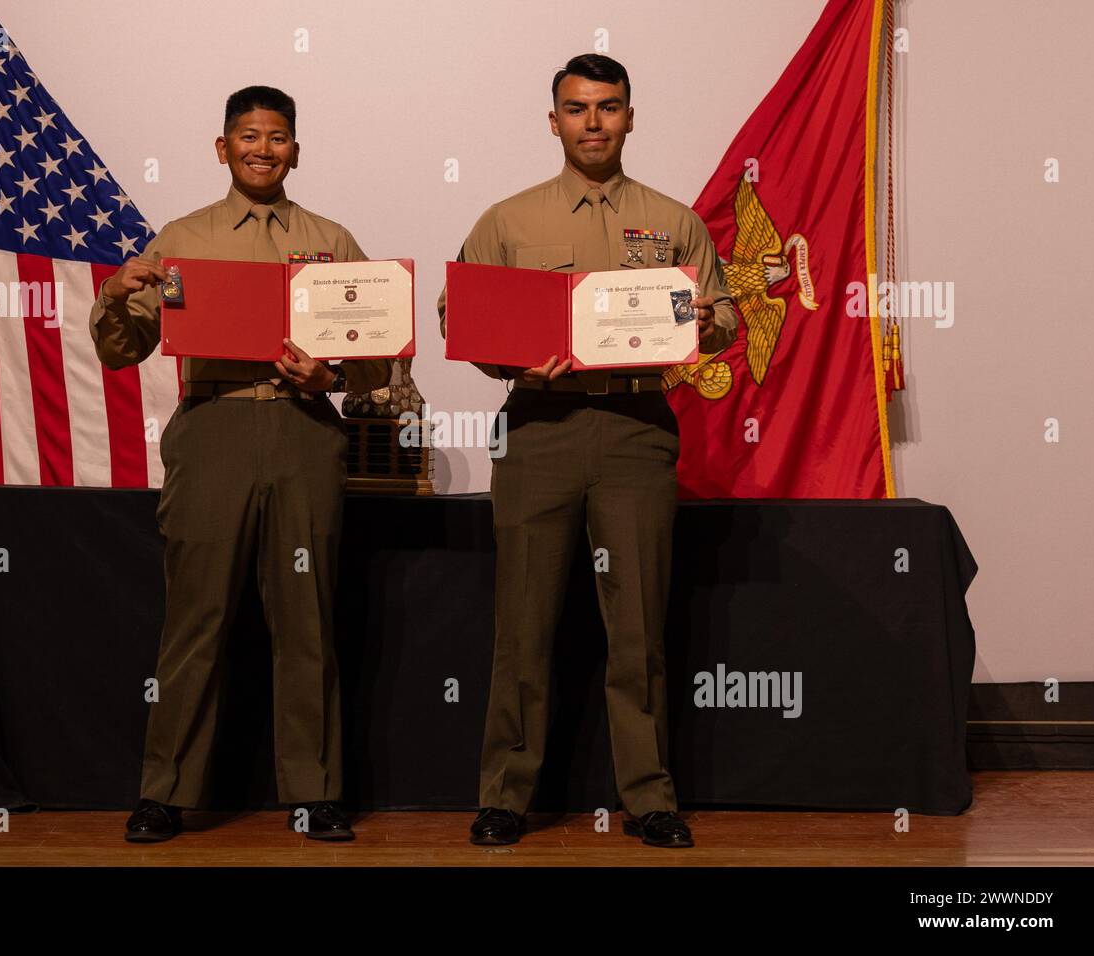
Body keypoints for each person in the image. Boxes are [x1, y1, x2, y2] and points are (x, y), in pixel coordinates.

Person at [438, 55, 738, 848]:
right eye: (577, 109)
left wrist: (707, 323)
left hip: (638, 428)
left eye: (608, 107)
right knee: (523, 625)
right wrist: (508, 363)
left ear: (631, 116)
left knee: (637, 627)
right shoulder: (509, 220)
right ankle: (505, 795)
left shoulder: (674, 221)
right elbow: (459, 314)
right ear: (553, 121)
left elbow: (725, 315)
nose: (593, 122)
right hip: (540, 428)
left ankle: (649, 797)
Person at [90, 86, 391, 843]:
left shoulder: (330, 238)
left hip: (302, 433)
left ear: (297, 148)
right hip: (215, 426)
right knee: (197, 617)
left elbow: (375, 360)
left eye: (279, 136)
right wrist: (115, 295)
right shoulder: (183, 238)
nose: (264, 148)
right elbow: (124, 350)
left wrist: (332, 379)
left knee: (307, 617)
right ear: (222, 149)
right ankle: (164, 792)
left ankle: (317, 792)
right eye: (249, 136)